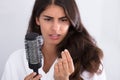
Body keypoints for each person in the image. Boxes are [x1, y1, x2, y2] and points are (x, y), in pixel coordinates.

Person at [1, 0, 106, 80]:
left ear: (71, 22)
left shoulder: (90, 60)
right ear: (37, 19)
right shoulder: (15, 61)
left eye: (63, 20)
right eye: (48, 19)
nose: (55, 28)